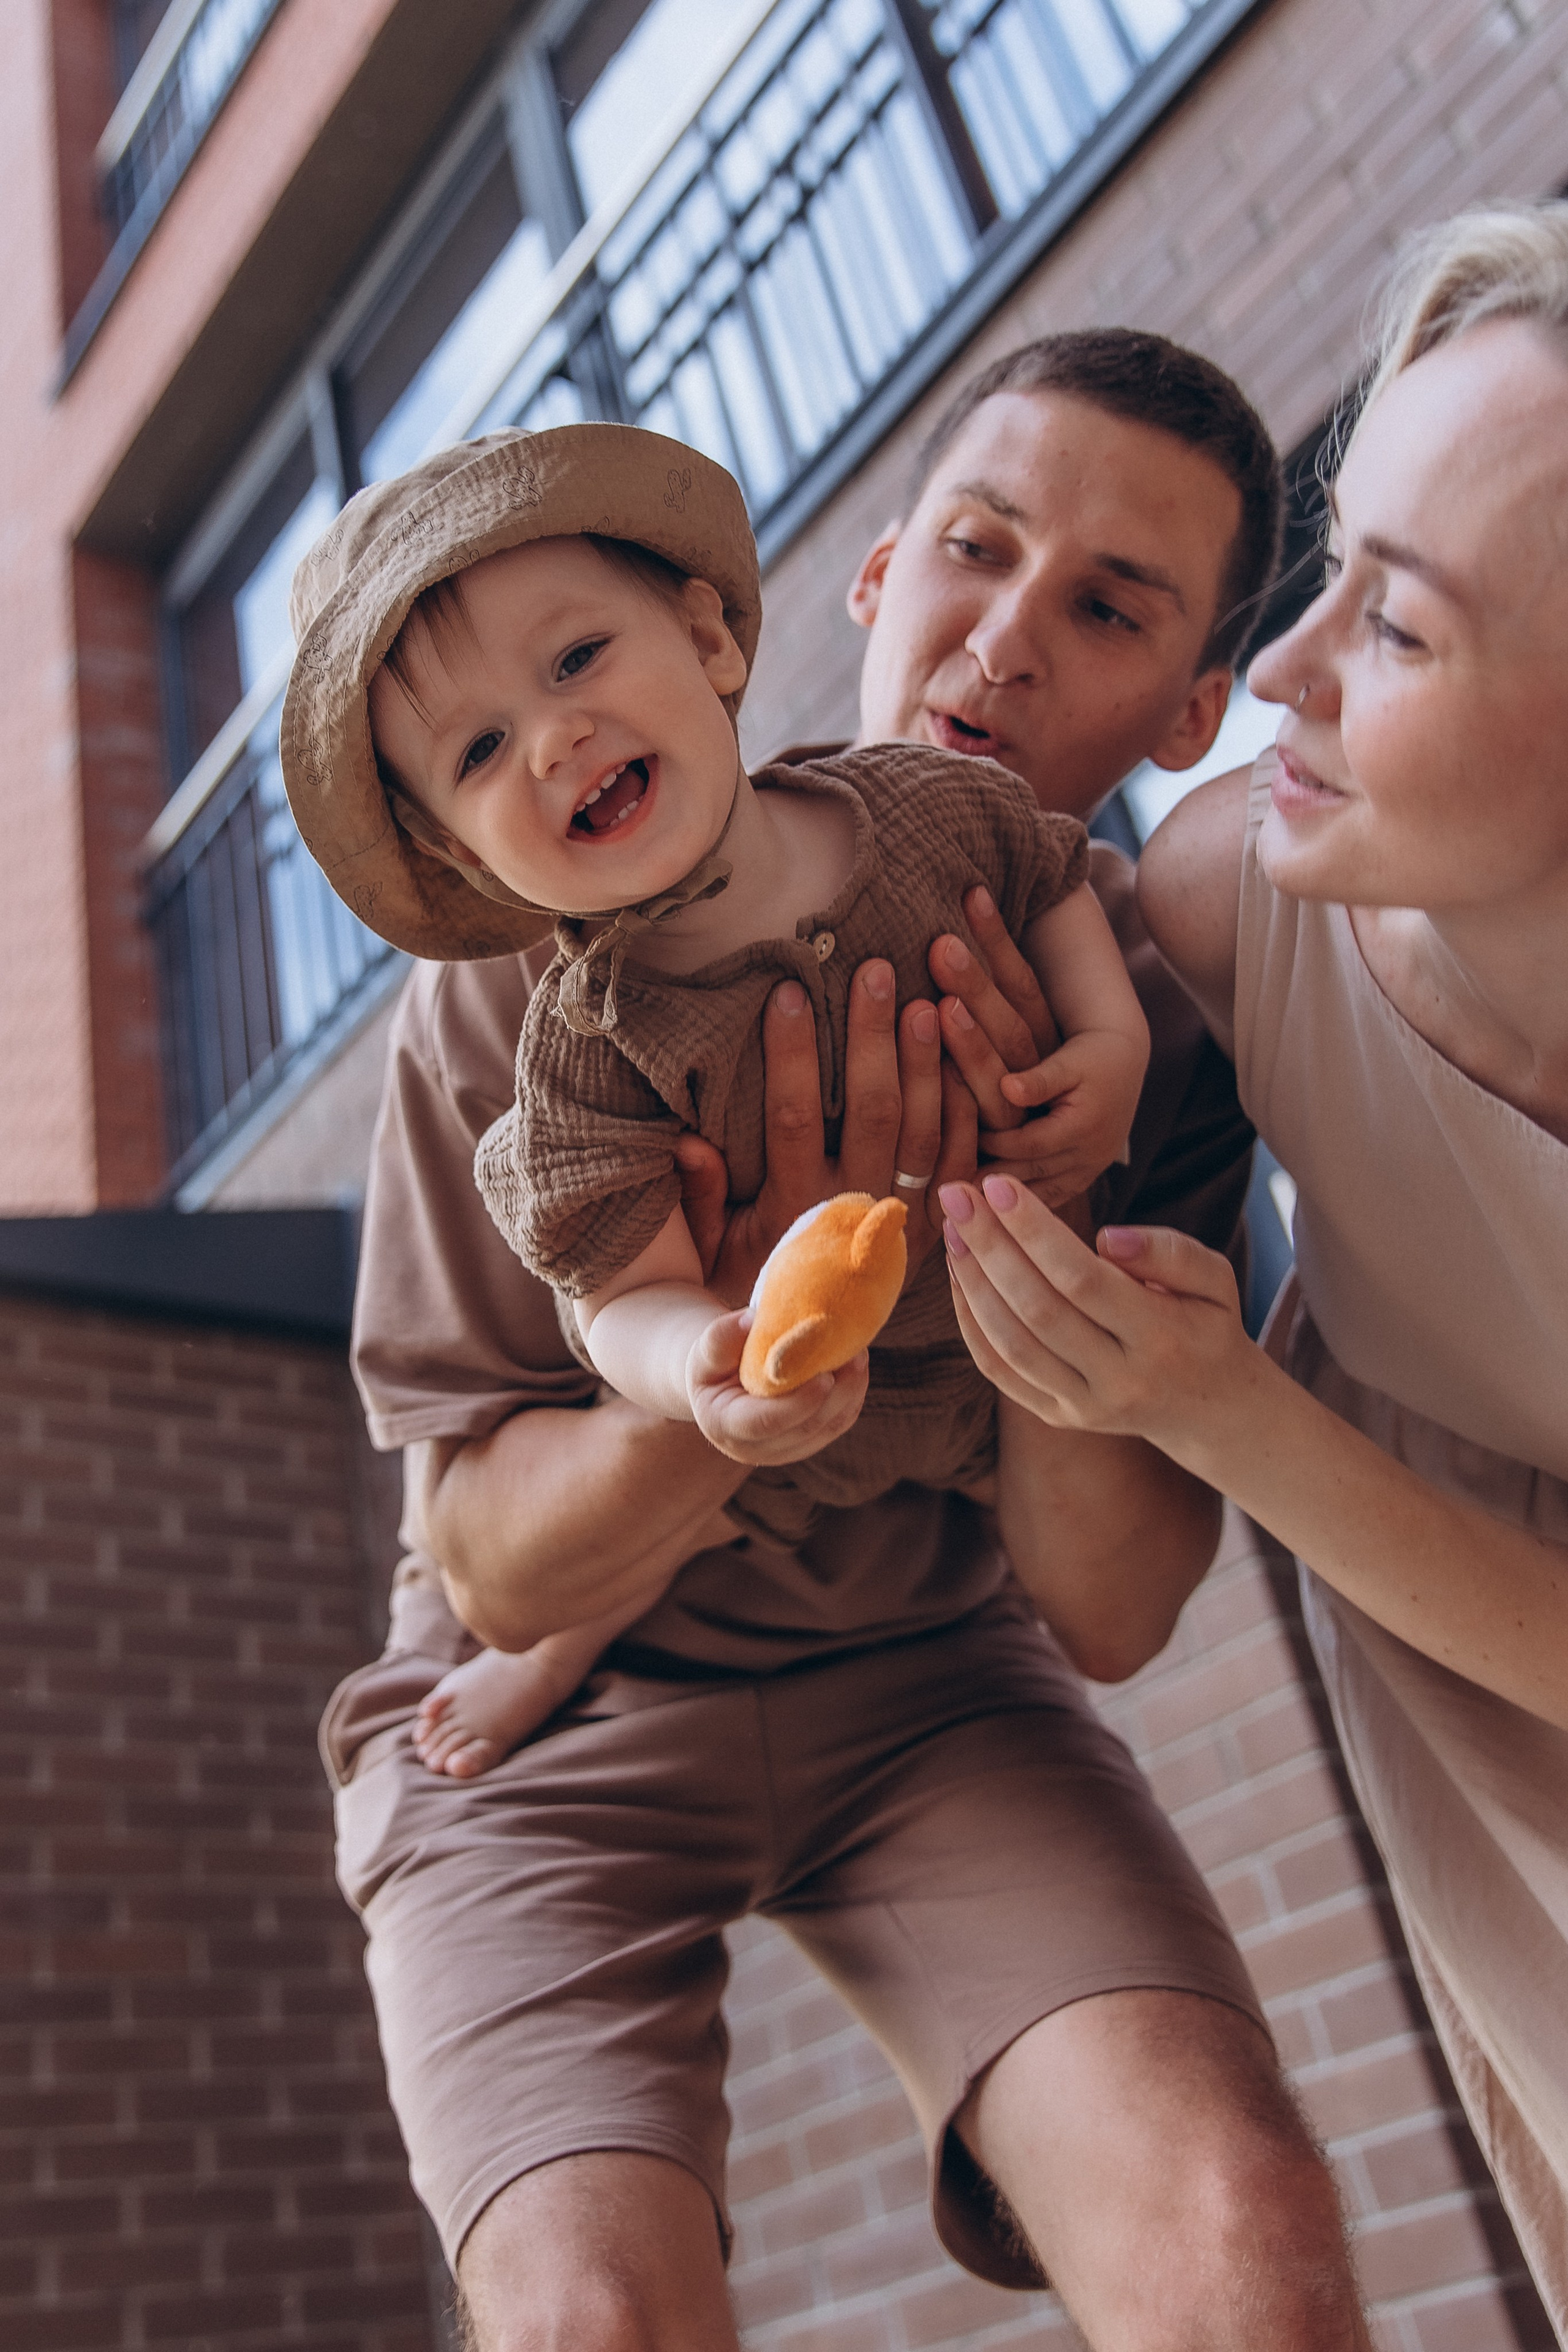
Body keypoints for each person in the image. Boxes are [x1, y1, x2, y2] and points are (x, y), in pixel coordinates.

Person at [316, 331, 1373, 2348]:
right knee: (591, 2320)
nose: (1005, 643)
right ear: (874, 579)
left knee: (1242, 2232)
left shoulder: (1156, 1035)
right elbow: (487, 1563)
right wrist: (750, 1364)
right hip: (554, 1711)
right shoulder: (538, 982)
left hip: (933, 1679)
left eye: (1110, 607)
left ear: (1194, 706)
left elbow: (1117, 1607)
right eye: (976, 553)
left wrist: (1028, 1216)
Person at [936, 215, 1568, 2337]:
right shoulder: (1236, 895)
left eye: (1394, 628)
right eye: (1327, 568)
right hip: (1491, 1753)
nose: (1283, 674)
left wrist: (1226, 1411)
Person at [292, 420, 1147, 1777]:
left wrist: (1107, 1057)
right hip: (787, 1424)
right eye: (476, 755)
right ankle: (557, 1658)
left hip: (978, 1363)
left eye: (576, 659)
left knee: (1084, 1399)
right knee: (687, 1511)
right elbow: (611, 1293)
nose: (552, 739)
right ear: (467, 862)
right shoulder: (587, 1049)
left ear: (708, 642)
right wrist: (699, 1362)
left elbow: (1042, 881)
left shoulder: (919, 807)